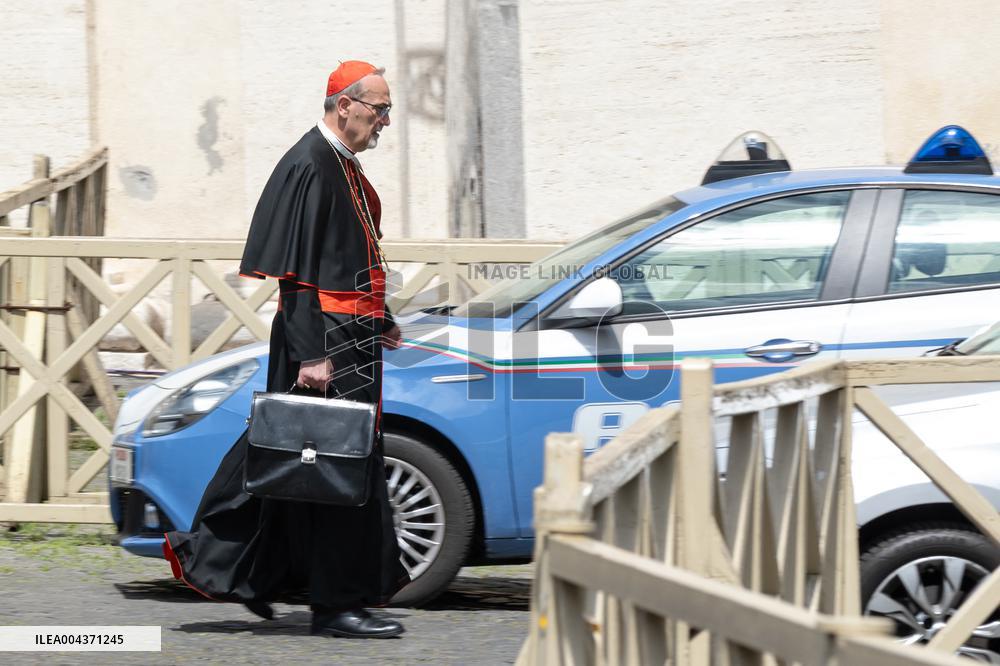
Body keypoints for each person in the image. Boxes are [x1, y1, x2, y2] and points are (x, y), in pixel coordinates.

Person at [163, 60, 409, 639]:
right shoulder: (310, 163)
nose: (385, 123)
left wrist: (383, 319)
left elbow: (347, 260)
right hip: (325, 345)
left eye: (388, 111)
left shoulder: (339, 164)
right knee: (333, 468)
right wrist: (313, 355)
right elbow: (297, 277)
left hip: (349, 337)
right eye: (380, 110)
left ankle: (263, 579)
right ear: (344, 104)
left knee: (305, 465)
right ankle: (334, 606)